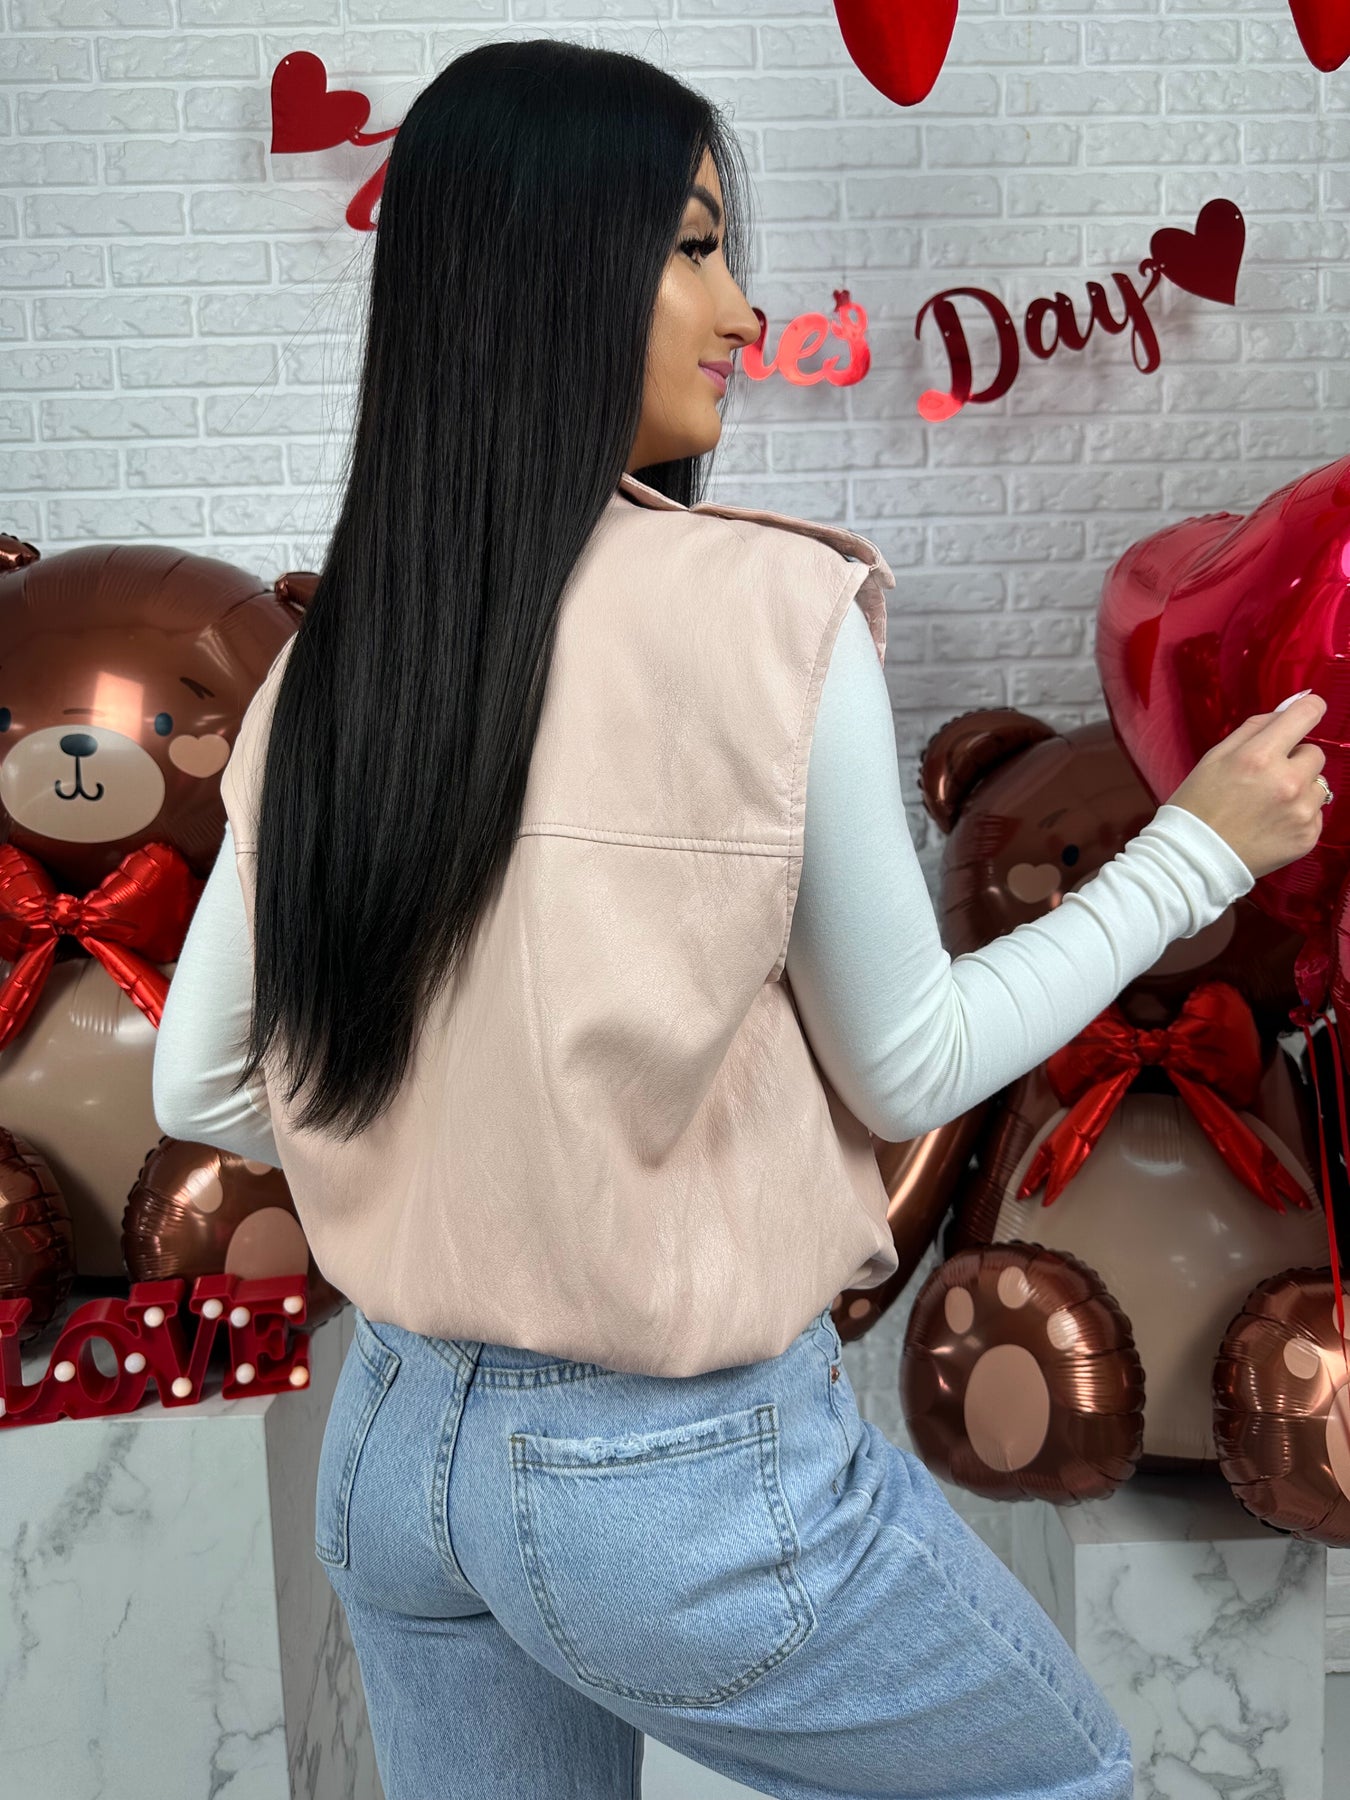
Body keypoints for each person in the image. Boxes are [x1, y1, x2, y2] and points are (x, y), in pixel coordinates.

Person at [152, 38, 1330, 1800]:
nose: (743, 307)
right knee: (1061, 1780)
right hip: (668, 1478)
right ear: (554, 270)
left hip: (393, 1448)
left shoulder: (339, 656)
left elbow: (200, 1085)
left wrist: (472, 1167)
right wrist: (1193, 853)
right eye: (693, 246)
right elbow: (908, 1061)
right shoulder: (770, 612)